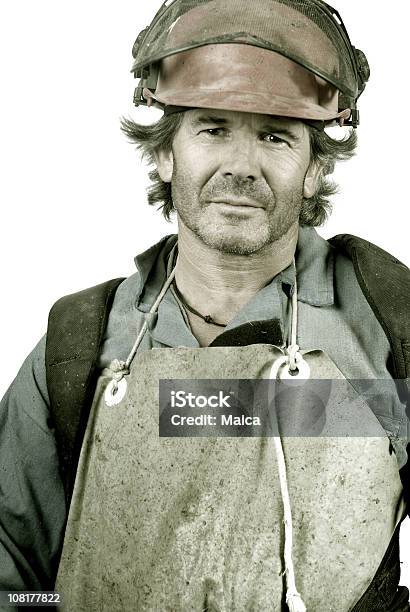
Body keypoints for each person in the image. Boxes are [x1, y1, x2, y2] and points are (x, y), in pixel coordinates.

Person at [0, 0, 409, 610]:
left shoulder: (386, 326)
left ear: (314, 168)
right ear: (165, 153)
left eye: (275, 135)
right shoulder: (81, 346)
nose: (241, 168)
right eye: (212, 128)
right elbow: (14, 579)